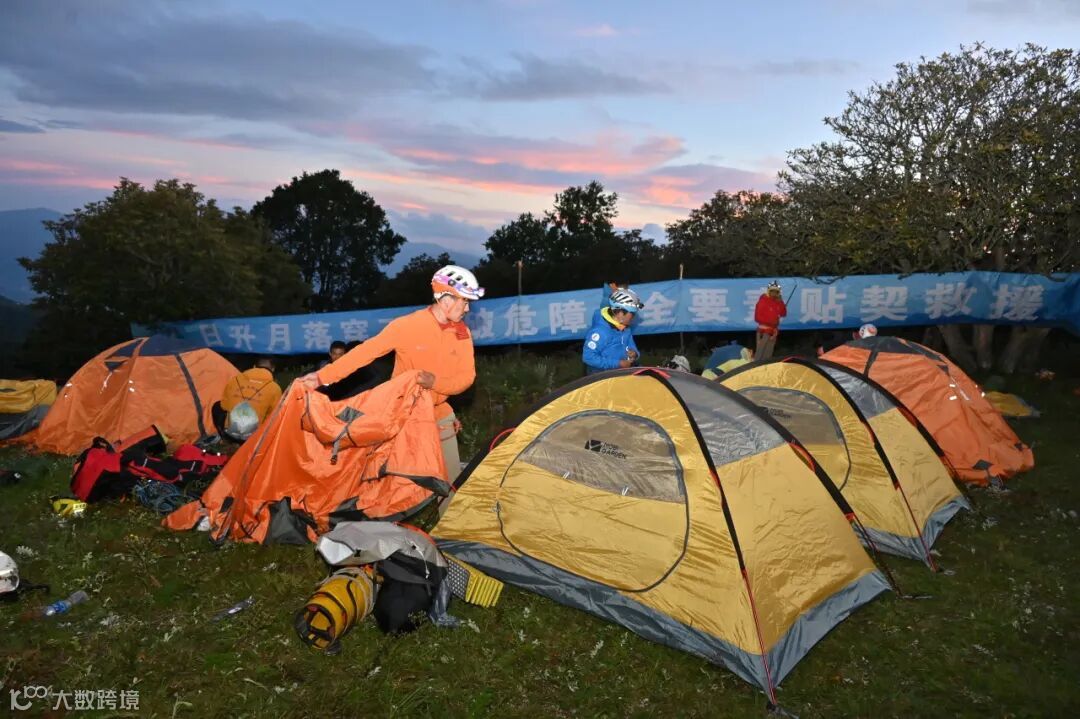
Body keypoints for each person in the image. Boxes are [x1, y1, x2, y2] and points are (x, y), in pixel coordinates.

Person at [299, 264, 481, 484]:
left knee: (450, 485)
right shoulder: (407, 326)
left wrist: (435, 382)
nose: (467, 309)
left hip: (440, 419)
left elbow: (467, 377)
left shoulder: (462, 333)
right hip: (404, 420)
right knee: (397, 487)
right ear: (446, 300)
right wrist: (322, 377)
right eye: (465, 301)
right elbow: (365, 352)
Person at [212, 357, 283, 441]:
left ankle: (224, 437)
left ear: (254, 366)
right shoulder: (275, 388)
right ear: (273, 369)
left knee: (217, 406)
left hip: (231, 434)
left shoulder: (235, 379)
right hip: (254, 438)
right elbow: (274, 415)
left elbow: (224, 406)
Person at [582, 287, 644, 374]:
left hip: (621, 372)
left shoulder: (625, 328)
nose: (634, 317)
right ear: (620, 314)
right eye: (632, 314)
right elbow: (588, 357)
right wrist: (617, 363)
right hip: (601, 375)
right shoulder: (601, 332)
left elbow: (632, 346)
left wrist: (635, 354)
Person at [754, 281, 787, 360]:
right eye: (772, 291)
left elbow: (783, 313)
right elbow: (757, 317)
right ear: (769, 291)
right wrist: (770, 322)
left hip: (773, 332)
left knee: (768, 354)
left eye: (776, 292)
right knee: (760, 353)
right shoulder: (763, 301)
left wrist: (781, 302)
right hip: (763, 331)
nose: (774, 293)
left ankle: (766, 366)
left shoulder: (778, 302)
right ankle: (756, 366)